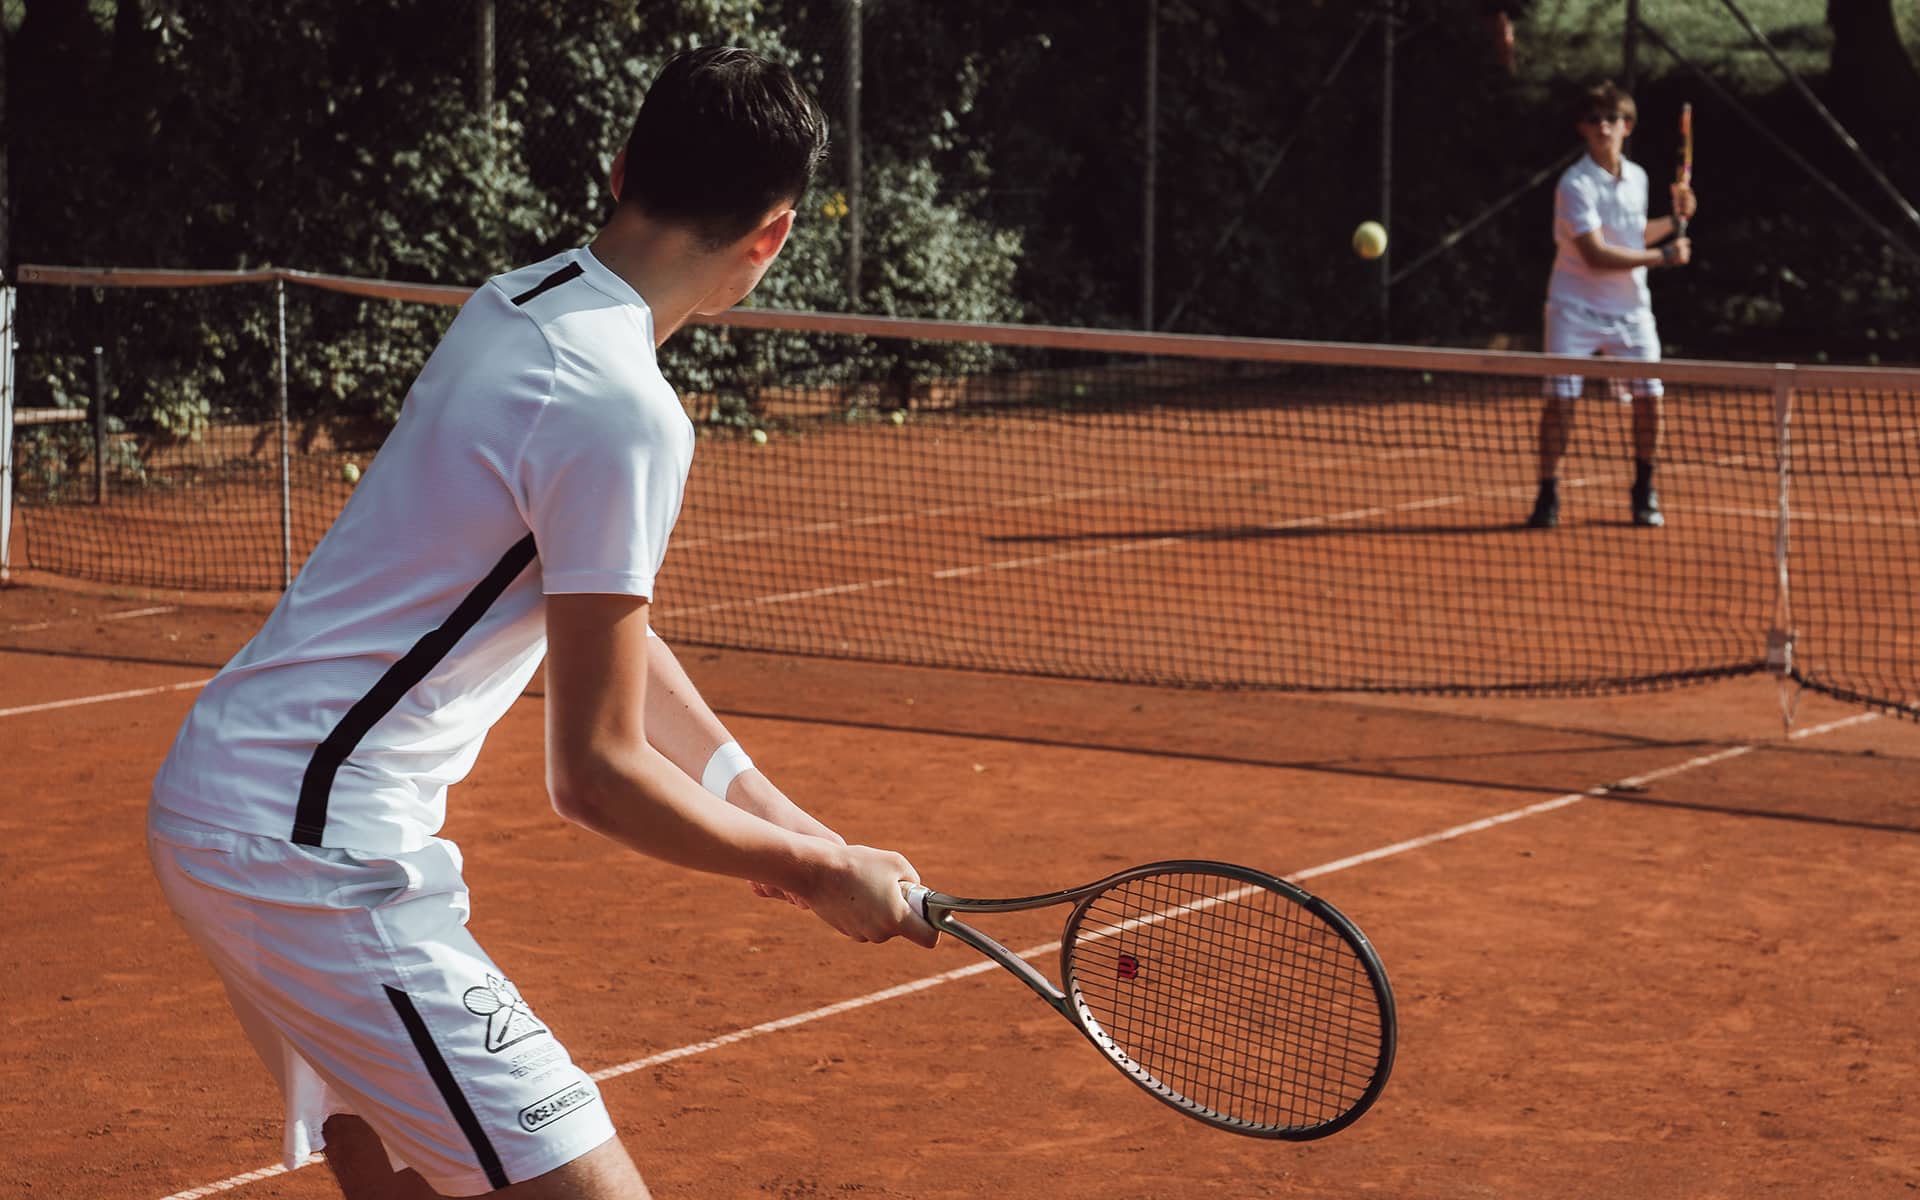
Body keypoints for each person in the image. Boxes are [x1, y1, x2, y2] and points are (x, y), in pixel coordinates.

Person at [146, 47, 937, 1200]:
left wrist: (780, 817)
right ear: (771, 236)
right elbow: (596, 775)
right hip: (309, 853)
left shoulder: (519, 301)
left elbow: (603, 622)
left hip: (232, 803)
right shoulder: (626, 412)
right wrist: (816, 872)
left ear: (620, 170)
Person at [1527, 79, 1697, 530]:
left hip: (1632, 312)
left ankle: (1644, 490)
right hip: (1573, 308)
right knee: (1561, 402)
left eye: (1612, 119)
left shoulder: (1638, 178)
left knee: (1650, 401)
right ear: (1582, 128)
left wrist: (1674, 221)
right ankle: (1547, 493)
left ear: (1627, 126)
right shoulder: (1574, 184)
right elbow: (1596, 254)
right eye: (1594, 119)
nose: (1603, 126)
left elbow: (1631, 235)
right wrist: (1664, 257)